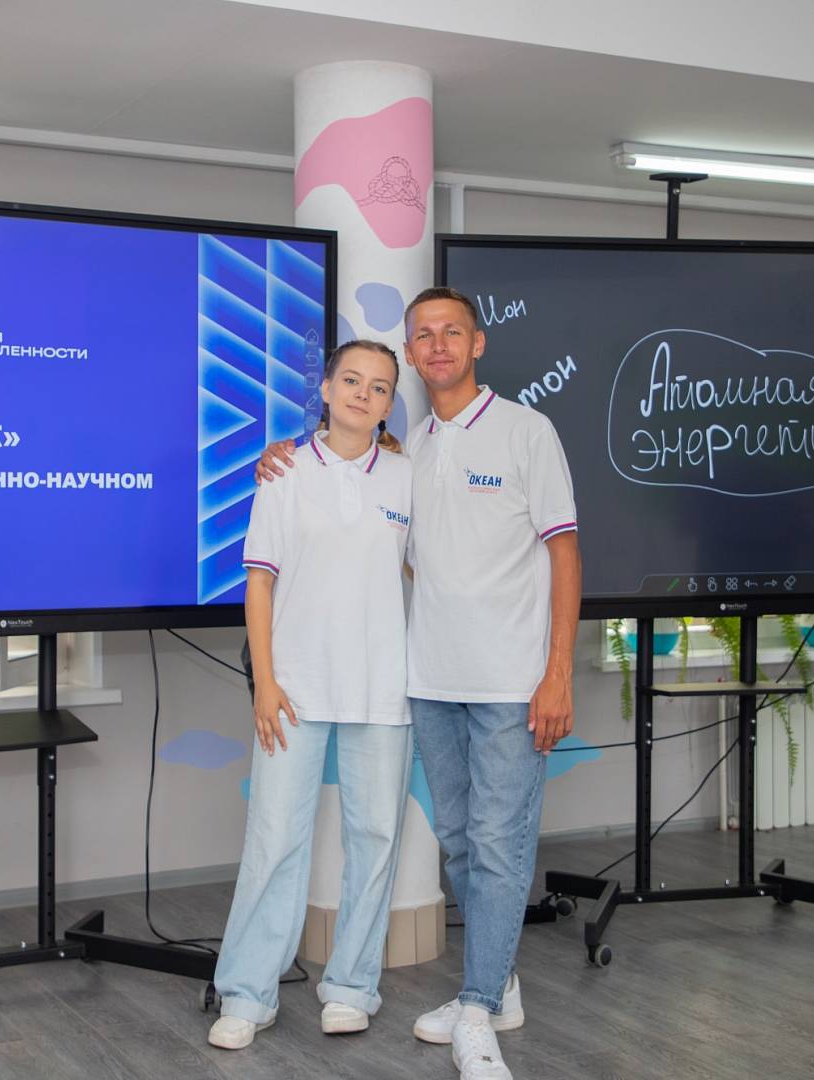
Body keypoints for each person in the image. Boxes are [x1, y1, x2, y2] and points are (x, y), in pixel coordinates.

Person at [257, 287, 581, 1080]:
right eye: (423, 335)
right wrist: (284, 455)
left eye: (451, 332)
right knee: (462, 842)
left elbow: (565, 554)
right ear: (412, 353)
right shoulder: (413, 452)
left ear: (477, 343)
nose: (437, 345)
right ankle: (500, 987)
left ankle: (476, 1010)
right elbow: (374, 523)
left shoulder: (527, 431)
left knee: (499, 844)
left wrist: (557, 672)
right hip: (429, 681)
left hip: (512, 682)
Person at [208, 340, 416, 1051]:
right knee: (274, 840)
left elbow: (423, 572)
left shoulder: (406, 478)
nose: (363, 393)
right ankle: (247, 992)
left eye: (379, 387)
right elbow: (259, 581)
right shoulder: (284, 471)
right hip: (293, 687)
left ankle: (353, 987)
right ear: (325, 389)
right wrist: (266, 682)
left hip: (384, 689)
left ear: (389, 404)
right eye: (351, 380)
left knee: (376, 840)